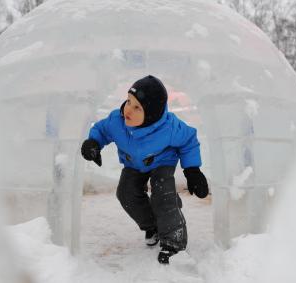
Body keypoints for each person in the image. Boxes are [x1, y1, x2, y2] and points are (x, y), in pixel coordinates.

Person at [81, 75, 209, 264]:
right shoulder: (117, 121)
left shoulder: (170, 127)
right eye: (128, 101)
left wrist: (192, 171)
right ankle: (153, 225)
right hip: (134, 163)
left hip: (162, 161)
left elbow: (189, 141)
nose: (128, 110)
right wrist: (93, 143)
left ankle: (174, 241)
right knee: (126, 193)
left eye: (137, 107)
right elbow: (102, 130)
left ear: (151, 114)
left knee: (162, 194)